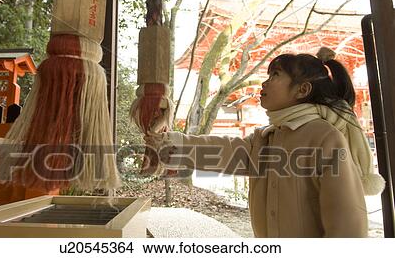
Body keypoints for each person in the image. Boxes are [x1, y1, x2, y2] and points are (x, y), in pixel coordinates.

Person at [146, 47, 385, 238]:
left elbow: (347, 224)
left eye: (275, 75)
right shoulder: (267, 138)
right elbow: (225, 151)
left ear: (302, 90)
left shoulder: (324, 138)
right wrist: (166, 142)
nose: (265, 82)